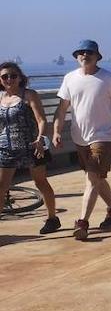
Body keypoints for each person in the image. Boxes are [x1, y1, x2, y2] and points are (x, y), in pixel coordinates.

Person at [51, 40, 111, 241]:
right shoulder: (69, 78)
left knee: (91, 178)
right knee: (98, 178)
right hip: (79, 137)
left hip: (103, 136)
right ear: (76, 57)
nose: (84, 55)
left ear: (97, 56)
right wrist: (56, 131)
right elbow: (62, 108)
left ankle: (82, 223)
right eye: (80, 52)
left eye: (89, 52)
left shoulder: (108, 78)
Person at [0, 61, 60, 234]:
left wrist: (40, 139)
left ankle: (52, 218)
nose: (9, 79)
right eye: (5, 76)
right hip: (6, 147)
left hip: (32, 146)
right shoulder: (1, 98)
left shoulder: (29, 95)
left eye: (13, 75)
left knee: (40, 182)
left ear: (20, 78)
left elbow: (41, 119)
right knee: (1, 186)